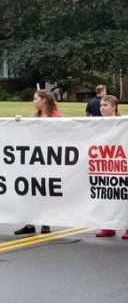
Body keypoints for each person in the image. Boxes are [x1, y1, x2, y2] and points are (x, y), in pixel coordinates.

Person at [14, 90, 63, 235]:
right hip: (35, 160)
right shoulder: (34, 116)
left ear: (44, 100)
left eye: (35, 99)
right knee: (31, 191)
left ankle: (46, 222)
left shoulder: (56, 117)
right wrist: (20, 121)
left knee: (45, 192)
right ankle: (30, 223)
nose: (33, 101)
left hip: (49, 160)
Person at [95, 95, 128, 239]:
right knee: (105, 195)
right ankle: (108, 226)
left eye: (105, 105)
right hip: (103, 164)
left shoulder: (123, 122)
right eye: (101, 105)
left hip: (119, 164)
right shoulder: (97, 123)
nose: (102, 108)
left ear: (114, 107)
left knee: (123, 196)